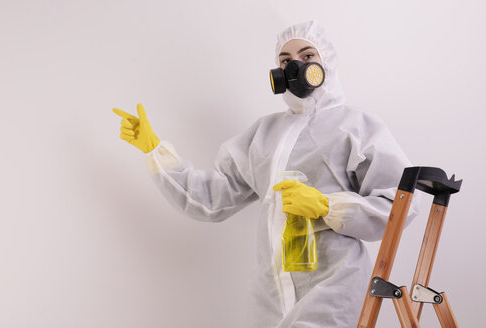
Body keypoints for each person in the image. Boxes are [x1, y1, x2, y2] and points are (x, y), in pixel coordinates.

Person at [113, 21, 418, 327]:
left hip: (333, 288)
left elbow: (401, 205)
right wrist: (154, 150)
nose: (295, 65)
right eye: (285, 61)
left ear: (327, 62)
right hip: (271, 297)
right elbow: (209, 200)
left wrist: (327, 206)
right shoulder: (264, 134)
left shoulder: (357, 125)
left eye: (307, 55)